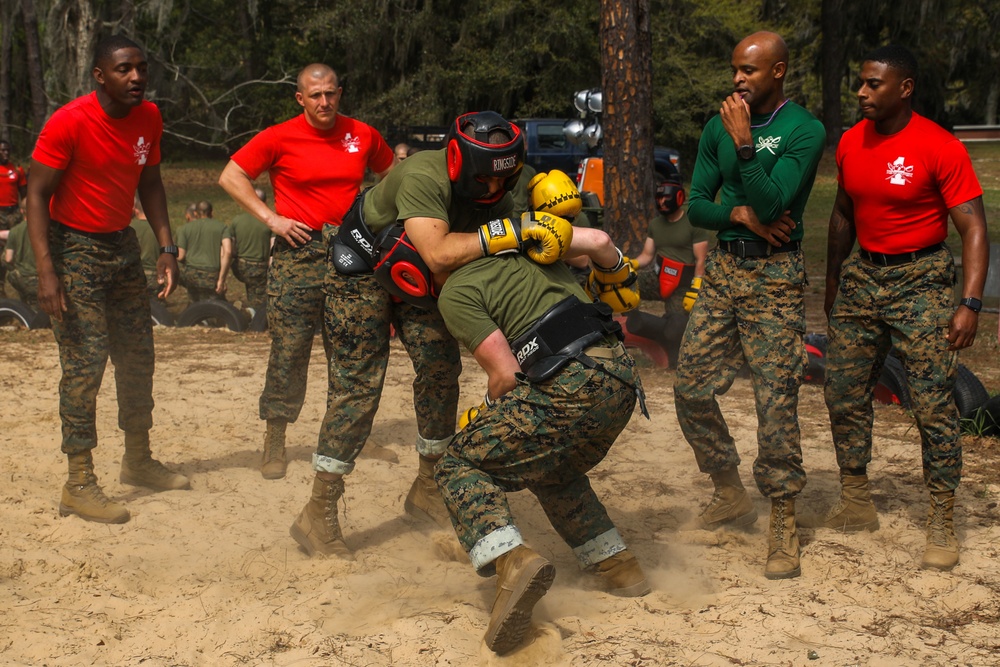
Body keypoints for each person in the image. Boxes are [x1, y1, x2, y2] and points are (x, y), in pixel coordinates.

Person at [293, 111, 574, 559]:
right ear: (460, 162)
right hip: (366, 267)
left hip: (420, 278)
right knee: (359, 386)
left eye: (506, 179)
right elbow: (440, 253)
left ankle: (427, 488)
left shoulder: (510, 175)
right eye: (484, 180)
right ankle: (317, 509)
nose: (495, 190)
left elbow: (551, 222)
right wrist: (512, 229)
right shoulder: (425, 173)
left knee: (441, 371)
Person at [434, 224, 649, 654]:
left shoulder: (455, 290)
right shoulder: (530, 253)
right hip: (623, 379)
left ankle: (511, 563)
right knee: (549, 463)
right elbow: (601, 244)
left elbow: (506, 376)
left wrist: (486, 413)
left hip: (571, 383)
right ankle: (617, 564)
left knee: (458, 462)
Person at [822, 45, 989, 572]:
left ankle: (941, 515)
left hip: (921, 280)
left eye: (873, 84)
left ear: (905, 88)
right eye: (860, 83)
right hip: (861, 278)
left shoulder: (939, 146)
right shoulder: (850, 141)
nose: (861, 92)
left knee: (933, 401)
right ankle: (855, 499)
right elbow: (843, 213)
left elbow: (974, 228)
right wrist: (833, 279)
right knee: (842, 389)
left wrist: (970, 301)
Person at [674, 30, 825, 579]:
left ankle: (783, 517)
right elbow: (696, 207)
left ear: (778, 72)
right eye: (735, 68)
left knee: (774, 398)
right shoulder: (716, 126)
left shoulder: (803, 130)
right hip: (723, 270)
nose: (737, 79)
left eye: (750, 70)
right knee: (689, 387)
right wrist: (735, 216)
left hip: (776, 275)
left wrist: (745, 148)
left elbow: (774, 201)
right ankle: (728, 488)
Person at [25, 34, 189, 525]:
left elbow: (151, 181)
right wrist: (46, 271)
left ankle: (137, 460)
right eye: (124, 69)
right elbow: (35, 195)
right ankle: (78, 483)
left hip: (121, 244)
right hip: (71, 246)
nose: (137, 77)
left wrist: (165, 247)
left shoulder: (150, 117)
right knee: (85, 362)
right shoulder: (68, 122)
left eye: (141, 67)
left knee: (138, 356)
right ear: (100, 76)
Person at [218, 63, 397, 482]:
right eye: (315, 96)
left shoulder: (363, 134)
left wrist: (379, 224)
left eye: (331, 93)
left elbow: (394, 178)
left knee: (352, 347)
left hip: (352, 251)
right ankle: (275, 439)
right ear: (301, 98)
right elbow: (231, 176)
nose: (324, 102)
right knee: (290, 349)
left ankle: (353, 432)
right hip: (298, 252)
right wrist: (273, 219)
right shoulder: (279, 136)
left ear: (340, 93)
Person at [626, 174, 711, 366]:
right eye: (659, 198)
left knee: (675, 327)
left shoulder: (692, 223)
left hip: (683, 284)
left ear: (678, 198)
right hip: (659, 278)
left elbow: (701, 259)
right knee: (622, 288)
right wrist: (628, 266)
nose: (662, 202)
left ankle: (673, 358)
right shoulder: (656, 224)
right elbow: (647, 255)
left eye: (666, 198)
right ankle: (627, 330)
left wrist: (697, 286)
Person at [176, 199, 232, 302]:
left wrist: (167, 249)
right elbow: (227, 252)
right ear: (212, 213)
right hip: (211, 274)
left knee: (194, 303)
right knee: (215, 305)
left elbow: (180, 255)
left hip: (191, 274)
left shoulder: (184, 229)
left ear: (195, 213)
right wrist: (221, 279)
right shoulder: (222, 228)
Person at [228, 187, 272, 312]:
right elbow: (272, 247)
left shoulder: (237, 220)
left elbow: (232, 247)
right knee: (260, 294)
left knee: (252, 288)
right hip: (260, 267)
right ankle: (256, 314)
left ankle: (251, 309)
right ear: (265, 202)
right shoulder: (270, 222)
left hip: (241, 267)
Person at [1, 139, 28, 296]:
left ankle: (21, 285)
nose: (6, 153)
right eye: (2, 150)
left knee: (16, 249)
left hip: (14, 214)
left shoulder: (17, 170)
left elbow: (24, 194)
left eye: (8, 150)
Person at [130, 193, 163, 297]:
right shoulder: (161, 229)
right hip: (155, 276)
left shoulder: (130, 227)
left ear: (136, 210)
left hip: (134, 274)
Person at [3, 221, 38, 305]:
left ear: (22, 211)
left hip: (23, 277)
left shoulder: (15, 230)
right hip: (43, 278)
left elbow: (8, 259)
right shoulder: (46, 227)